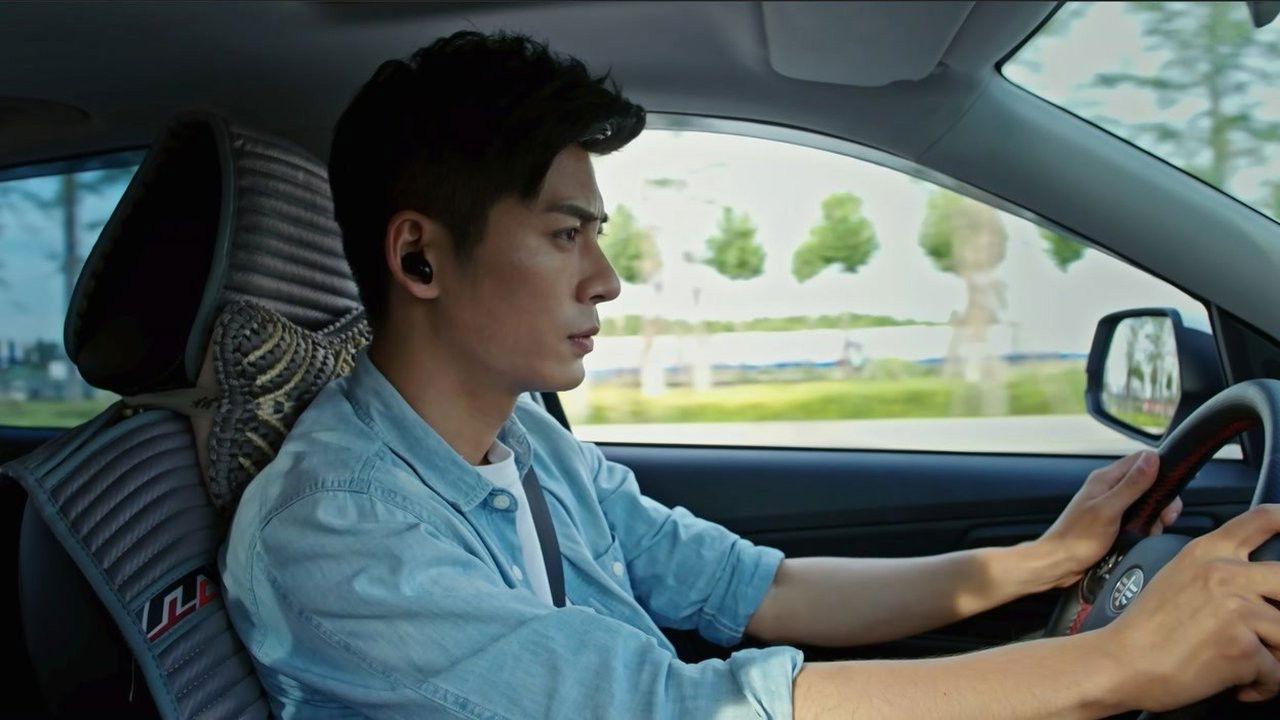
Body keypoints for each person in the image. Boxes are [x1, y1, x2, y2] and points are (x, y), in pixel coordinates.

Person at [219, 30, 1280, 719]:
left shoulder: (525, 440)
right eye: (564, 235)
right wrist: (1116, 665)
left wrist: (1036, 564)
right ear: (419, 259)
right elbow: (682, 711)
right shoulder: (335, 535)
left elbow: (757, 589)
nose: (606, 280)